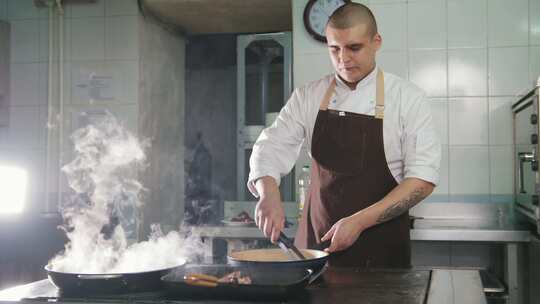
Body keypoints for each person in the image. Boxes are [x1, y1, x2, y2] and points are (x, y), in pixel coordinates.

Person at [248, 3, 441, 268]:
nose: (343, 59)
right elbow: (270, 145)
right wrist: (267, 191)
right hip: (314, 253)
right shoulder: (308, 96)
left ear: (376, 42)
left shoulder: (408, 99)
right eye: (334, 49)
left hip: (381, 257)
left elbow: (421, 181)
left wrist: (358, 221)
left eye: (354, 47)